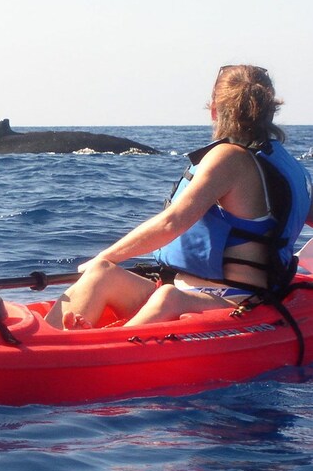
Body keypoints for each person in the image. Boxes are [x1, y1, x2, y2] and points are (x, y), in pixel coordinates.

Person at [45, 65, 313, 330]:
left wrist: (104, 254)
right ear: (270, 110)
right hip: (190, 293)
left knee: (166, 297)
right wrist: (102, 263)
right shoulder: (289, 166)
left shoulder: (228, 159)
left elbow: (171, 223)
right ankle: (55, 342)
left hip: (237, 301)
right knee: (101, 273)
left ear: (214, 110)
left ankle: (96, 350)